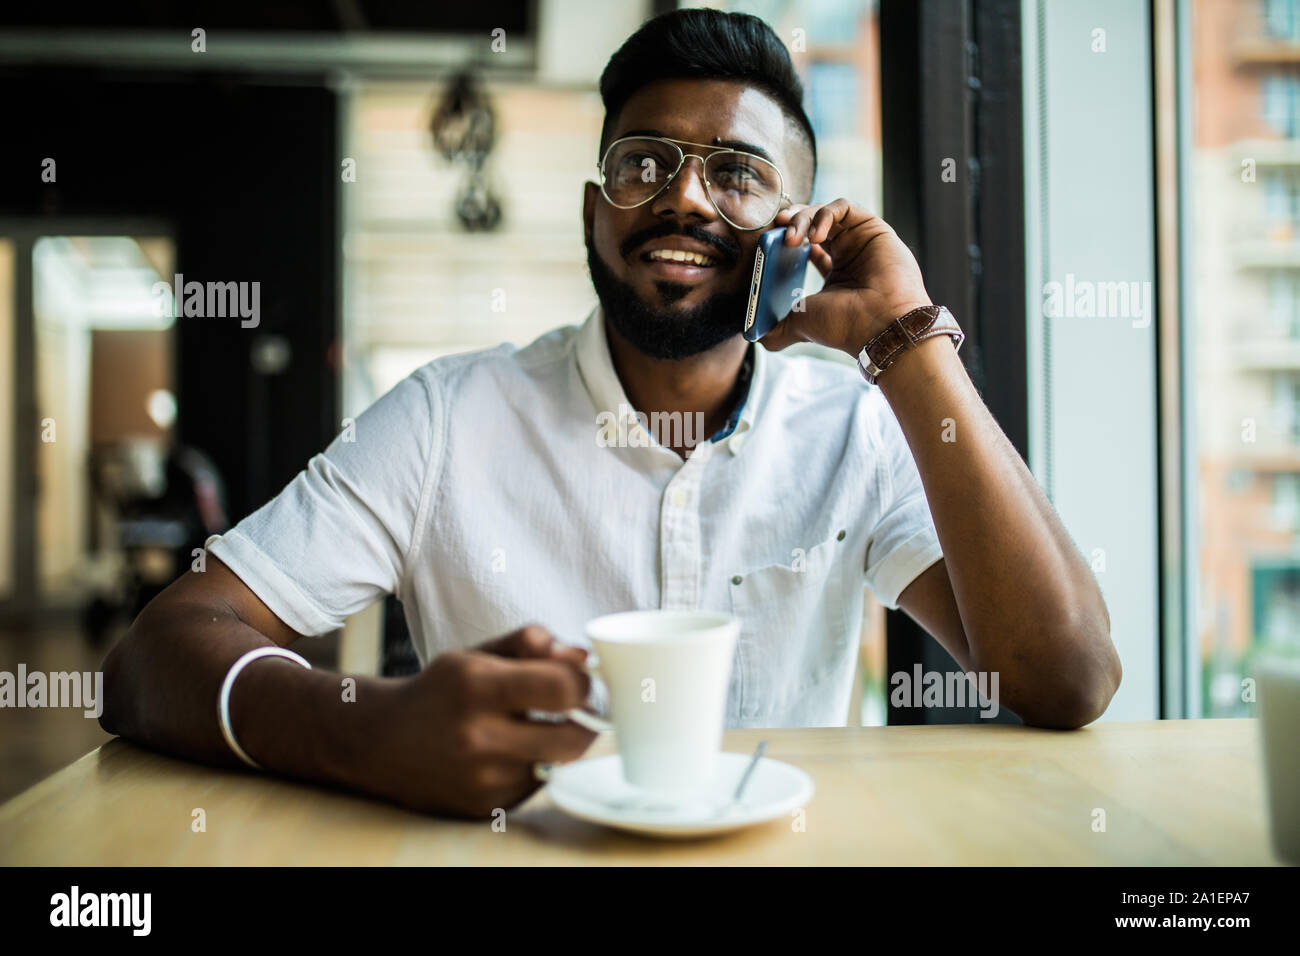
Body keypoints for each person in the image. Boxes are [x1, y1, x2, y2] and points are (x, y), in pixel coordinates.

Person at [100, 8, 1121, 819]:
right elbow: (154, 654)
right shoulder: (443, 419)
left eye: (737, 172)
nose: (683, 196)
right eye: (644, 162)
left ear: (797, 234)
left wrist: (905, 335)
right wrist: (367, 727)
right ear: (597, 211)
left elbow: (1065, 677)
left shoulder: (851, 426)